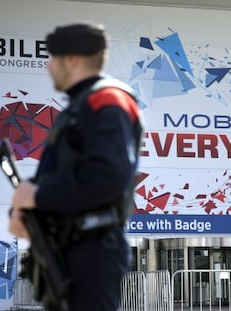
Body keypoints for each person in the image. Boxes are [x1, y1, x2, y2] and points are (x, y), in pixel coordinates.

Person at [8, 21, 143, 311]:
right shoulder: (80, 106)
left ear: (71, 59)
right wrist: (27, 210)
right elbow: (64, 176)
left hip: (91, 250)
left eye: (53, 58)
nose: (48, 66)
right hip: (68, 247)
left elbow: (107, 177)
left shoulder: (108, 102)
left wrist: (38, 197)